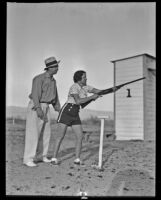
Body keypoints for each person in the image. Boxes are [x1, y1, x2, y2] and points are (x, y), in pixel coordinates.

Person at [50, 70, 102, 165]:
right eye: (84, 77)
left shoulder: (86, 87)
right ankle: (53, 158)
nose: (86, 78)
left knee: (80, 136)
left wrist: (111, 90)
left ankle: (77, 159)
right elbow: (78, 101)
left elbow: (98, 91)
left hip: (75, 113)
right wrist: (92, 97)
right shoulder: (74, 87)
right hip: (67, 111)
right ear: (79, 79)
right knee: (60, 136)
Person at [23, 56, 61, 167]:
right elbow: (35, 94)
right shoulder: (38, 78)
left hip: (47, 106)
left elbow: (55, 96)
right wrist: (38, 109)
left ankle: (42, 156)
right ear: (50, 68)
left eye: (57, 66)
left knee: (46, 133)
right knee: (33, 132)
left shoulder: (53, 81)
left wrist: (58, 108)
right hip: (36, 105)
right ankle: (28, 158)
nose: (58, 68)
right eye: (56, 67)